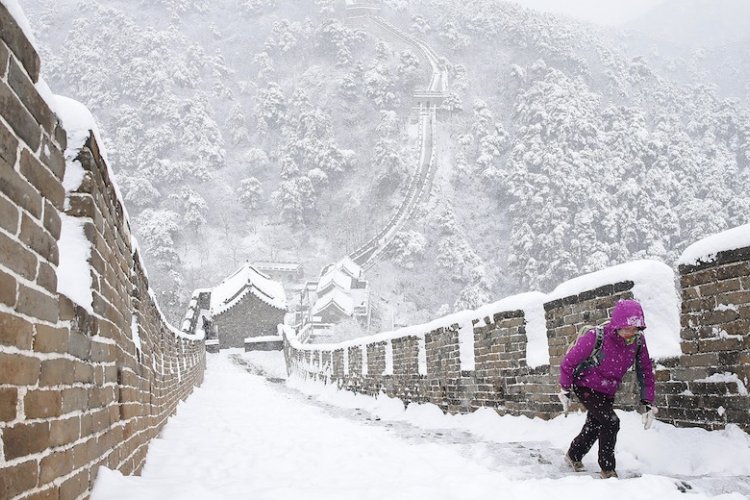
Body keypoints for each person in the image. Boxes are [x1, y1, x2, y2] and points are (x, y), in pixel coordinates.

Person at [558, 298, 656, 479]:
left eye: (635, 329)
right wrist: (564, 388)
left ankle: (573, 455)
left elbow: (645, 371)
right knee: (611, 422)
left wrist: (648, 401)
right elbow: (569, 362)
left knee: (595, 424)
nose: (631, 333)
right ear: (617, 324)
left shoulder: (638, 342)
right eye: (627, 328)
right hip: (585, 385)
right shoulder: (596, 336)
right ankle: (608, 470)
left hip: (608, 390)